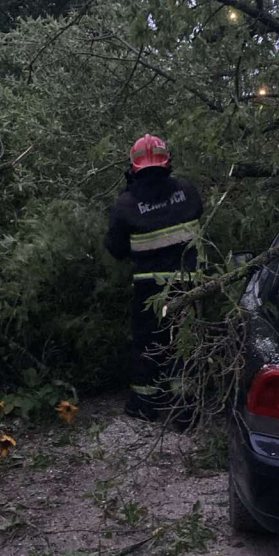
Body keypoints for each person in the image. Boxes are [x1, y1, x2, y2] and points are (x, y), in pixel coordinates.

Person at [105, 134, 203, 423]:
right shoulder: (187, 191)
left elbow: (115, 248)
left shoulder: (126, 204)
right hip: (190, 286)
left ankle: (145, 405)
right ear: (167, 162)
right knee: (186, 344)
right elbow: (197, 212)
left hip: (150, 289)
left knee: (148, 344)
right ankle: (185, 409)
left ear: (133, 169)